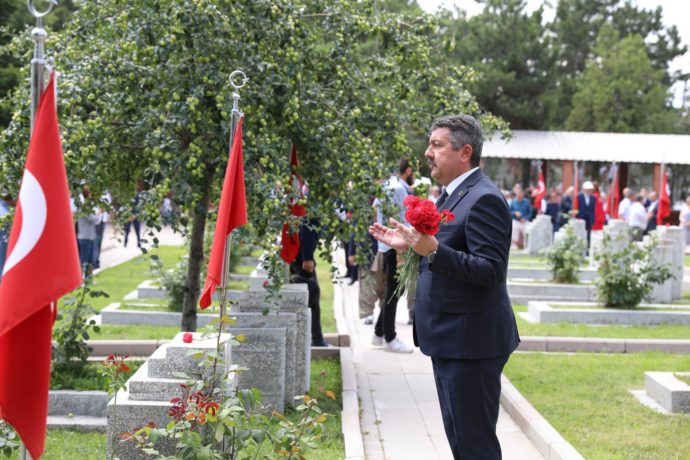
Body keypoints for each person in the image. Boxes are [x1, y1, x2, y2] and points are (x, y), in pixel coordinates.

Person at [370, 114, 519, 459]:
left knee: (474, 445)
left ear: (464, 152)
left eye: (436, 145)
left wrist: (433, 249)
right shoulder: (452, 195)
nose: (427, 153)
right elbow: (450, 249)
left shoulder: (484, 198)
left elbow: (490, 270)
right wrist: (411, 247)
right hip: (452, 339)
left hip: (472, 342)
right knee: (461, 441)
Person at [371, 159, 415, 353]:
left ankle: (379, 332)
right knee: (393, 293)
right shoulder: (397, 188)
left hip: (387, 245)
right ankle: (390, 336)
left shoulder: (389, 186)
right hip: (395, 246)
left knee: (392, 291)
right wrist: (401, 253)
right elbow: (400, 221)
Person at [290, 218, 329, 347]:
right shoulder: (312, 204)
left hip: (298, 255)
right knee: (312, 297)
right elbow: (307, 227)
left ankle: (316, 338)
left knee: (312, 296)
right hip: (301, 258)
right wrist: (307, 258)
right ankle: (316, 339)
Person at [509, 184, 532, 249]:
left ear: (522, 194)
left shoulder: (527, 202)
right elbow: (509, 211)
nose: (519, 196)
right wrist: (515, 213)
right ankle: (513, 245)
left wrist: (525, 218)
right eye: (518, 194)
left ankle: (526, 245)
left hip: (524, 221)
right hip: (516, 220)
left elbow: (530, 212)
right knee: (513, 228)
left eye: (520, 194)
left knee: (528, 228)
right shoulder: (513, 202)